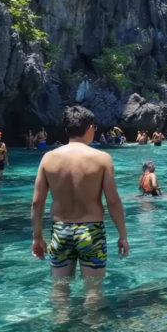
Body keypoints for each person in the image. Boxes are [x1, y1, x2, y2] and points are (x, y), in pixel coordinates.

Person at [31, 106, 129, 301]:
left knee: (59, 290)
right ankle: (94, 327)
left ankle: (60, 327)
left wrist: (37, 237)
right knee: (93, 290)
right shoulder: (101, 159)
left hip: (60, 231)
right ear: (90, 128)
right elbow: (113, 201)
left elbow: (37, 202)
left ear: (66, 129)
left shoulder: (48, 158)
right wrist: (123, 236)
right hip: (91, 232)